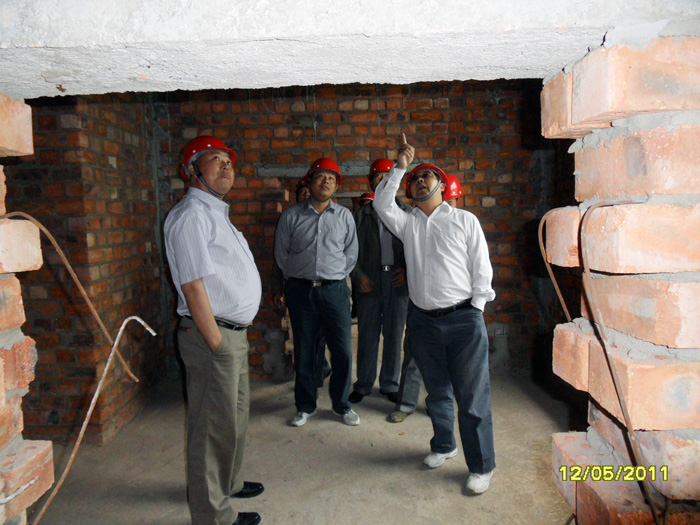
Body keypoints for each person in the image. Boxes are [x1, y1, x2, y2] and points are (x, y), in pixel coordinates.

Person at [373, 135, 497, 495]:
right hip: (423, 321)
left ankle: (481, 466)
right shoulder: (407, 223)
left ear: (442, 185)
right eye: (415, 178)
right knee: (437, 392)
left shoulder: (464, 220)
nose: (419, 180)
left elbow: (482, 268)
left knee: (471, 397)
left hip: (463, 320)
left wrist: (476, 309)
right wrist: (401, 166)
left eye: (426, 175)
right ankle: (444, 445)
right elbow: (381, 203)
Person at [164, 136, 263, 525]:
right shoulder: (192, 215)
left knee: (232, 419)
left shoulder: (216, 214)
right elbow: (192, 286)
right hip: (212, 336)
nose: (226, 166)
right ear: (192, 170)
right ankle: (212, 516)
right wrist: (216, 341)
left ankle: (228, 483)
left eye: (229, 161)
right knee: (210, 428)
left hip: (230, 334)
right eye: (215, 159)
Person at [274, 158, 360, 427]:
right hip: (302, 292)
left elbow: (351, 254)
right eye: (321, 177)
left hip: (335, 291)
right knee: (305, 349)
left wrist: (333, 275)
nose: (326, 182)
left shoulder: (345, 216)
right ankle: (305, 406)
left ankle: (341, 405)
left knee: (342, 350)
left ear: (336, 186)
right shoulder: (291, 216)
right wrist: (299, 277)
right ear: (310, 182)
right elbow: (282, 256)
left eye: (332, 179)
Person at [389, 172, 463, 423]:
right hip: (420, 304)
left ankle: (441, 403)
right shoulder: (413, 222)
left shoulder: (461, 224)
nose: (445, 208)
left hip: (453, 307)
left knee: (448, 360)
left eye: (451, 203)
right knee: (414, 355)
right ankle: (406, 402)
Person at [349, 158, 411, 406]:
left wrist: (408, 271)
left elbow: (419, 248)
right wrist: (358, 275)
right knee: (367, 334)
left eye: (388, 176)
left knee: (394, 335)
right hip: (369, 281)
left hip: (398, 282)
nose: (384, 181)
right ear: (371, 183)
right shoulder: (359, 216)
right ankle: (364, 384)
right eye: (378, 177)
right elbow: (348, 250)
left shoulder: (408, 213)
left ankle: (389, 384)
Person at [272, 179, 331, 387]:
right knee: (303, 336)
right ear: (297, 197)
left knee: (320, 335)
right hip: (298, 289)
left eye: (309, 191)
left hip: (324, 289)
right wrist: (279, 289)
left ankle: (318, 372)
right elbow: (279, 259)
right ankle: (308, 375)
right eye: (303, 193)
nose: (307, 195)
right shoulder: (290, 220)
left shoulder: (326, 220)